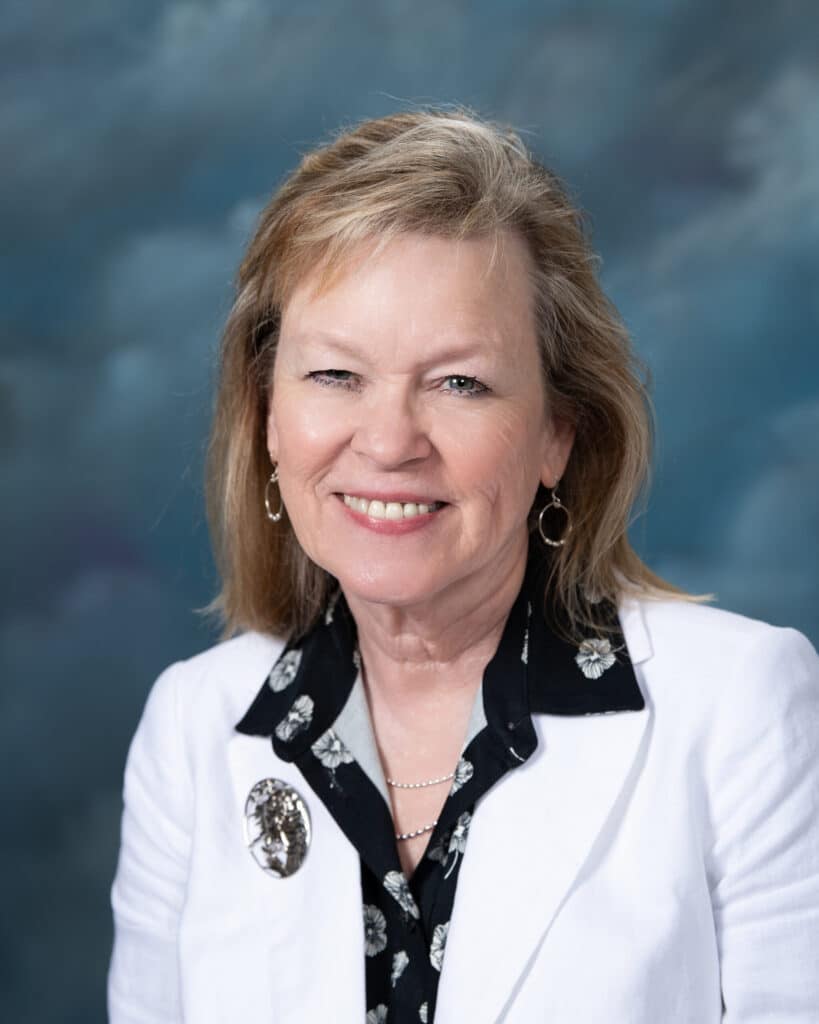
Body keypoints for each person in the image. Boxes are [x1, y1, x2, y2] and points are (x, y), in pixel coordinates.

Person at [108, 109, 819, 1023]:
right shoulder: (193, 728)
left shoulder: (741, 706)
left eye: (459, 383)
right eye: (334, 376)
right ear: (268, 418)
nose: (390, 442)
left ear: (555, 435)